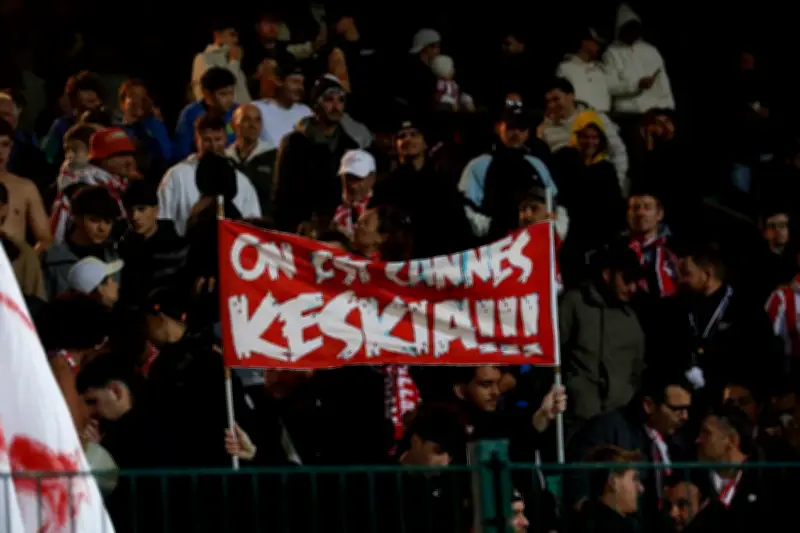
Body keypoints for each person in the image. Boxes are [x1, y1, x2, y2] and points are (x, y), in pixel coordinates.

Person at [566, 371, 694, 531]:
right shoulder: (607, 429)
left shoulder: (678, 443)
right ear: (648, 405)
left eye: (687, 409)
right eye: (677, 409)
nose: (685, 416)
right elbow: (577, 484)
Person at [560, 244, 646, 429]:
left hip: (618, 419)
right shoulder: (576, 303)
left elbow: (638, 368)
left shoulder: (632, 317)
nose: (632, 288)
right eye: (627, 280)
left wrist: (628, 394)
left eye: (635, 281)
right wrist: (573, 389)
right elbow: (557, 351)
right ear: (607, 275)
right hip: (579, 417)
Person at [272, 74, 372, 232]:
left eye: (340, 100)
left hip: (338, 229)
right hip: (300, 229)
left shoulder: (349, 146)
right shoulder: (295, 142)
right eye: (329, 100)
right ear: (316, 104)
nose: (336, 106)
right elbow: (281, 194)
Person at [459, 103, 565, 243]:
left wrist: (555, 229)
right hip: (495, 244)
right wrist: (492, 231)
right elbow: (467, 207)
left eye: (521, 128)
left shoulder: (537, 164)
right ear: (498, 128)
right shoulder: (479, 165)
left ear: (528, 132)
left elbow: (555, 204)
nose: (516, 133)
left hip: (535, 242)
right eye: (511, 127)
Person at [158, 113, 261, 236]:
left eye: (218, 139)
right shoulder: (176, 176)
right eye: (206, 140)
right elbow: (164, 218)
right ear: (197, 140)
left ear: (225, 140)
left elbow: (252, 226)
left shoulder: (242, 181)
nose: (213, 146)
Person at [538, 77, 628, 192]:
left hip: (604, 185)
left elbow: (618, 152)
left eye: (556, 99)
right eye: (548, 102)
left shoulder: (597, 118)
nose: (552, 105)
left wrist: (617, 184)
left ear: (571, 95)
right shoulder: (545, 130)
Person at [41, 185, 121, 299]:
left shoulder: (113, 258)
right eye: (94, 220)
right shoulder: (52, 259)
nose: (102, 228)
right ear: (76, 217)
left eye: (108, 222)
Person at [118, 180, 188, 300]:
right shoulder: (122, 246)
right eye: (130, 210)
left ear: (156, 210)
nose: (135, 216)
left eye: (141, 209)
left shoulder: (175, 245)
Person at [604, 4, 676, 114]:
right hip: (630, 111)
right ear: (620, 29)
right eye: (629, 27)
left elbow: (663, 83)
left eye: (635, 27)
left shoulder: (651, 50)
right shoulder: (611, 52)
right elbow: (610, 86)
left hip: (657, 109)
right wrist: (636, 85)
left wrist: (669, 106)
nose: (632, 31)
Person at [0, 118, 52, 250]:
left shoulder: (25, 187)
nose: (0, 151)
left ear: (11, 147)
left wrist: (28, 259)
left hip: (15, 261)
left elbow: (45, 238)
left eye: (5, 145)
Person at [572, 445, 644, 533]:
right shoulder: (622, 528)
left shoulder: (582, 521)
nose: (641, 488)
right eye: (634, 479)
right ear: (613, 481)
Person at [173, 68, 239, 161]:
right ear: (207, 94)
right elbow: (182, 152)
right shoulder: (190, 114)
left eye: (231, 93)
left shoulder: (237, 111)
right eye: (223, 94)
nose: (230, 99)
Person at [225, 104, 276, 216]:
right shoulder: (224, 158)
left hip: (264, 221)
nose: (253, 125)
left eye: (257, 120)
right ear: (233, 125)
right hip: (232, 222)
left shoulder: (274, 156)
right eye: (246, 119)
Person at [253, 62, 312, 147]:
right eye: (295, 82)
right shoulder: (257, 109)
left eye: (302, 83)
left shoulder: (306, 111)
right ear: (279, 82)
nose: (300, 88)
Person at [191, 20, 250, 105]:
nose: (236, 40)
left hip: (243, 111)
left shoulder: (231, 58)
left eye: (237, 36)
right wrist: (234, 61)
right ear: (217, 35)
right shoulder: (203, 58)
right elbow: (220, 86)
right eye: (232, 35)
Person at [556, 28, 611, 112]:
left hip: (603, 117)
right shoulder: (565, 69)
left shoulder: (601, 70)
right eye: (596, 42)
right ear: (584, 42)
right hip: (579, 117)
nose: (599, 46)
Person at [333, 149, 376, 238]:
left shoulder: (380, 208)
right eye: (348, 177)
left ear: (372, 178)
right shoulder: (331, 203)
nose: (352, 185)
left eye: (358, 179)